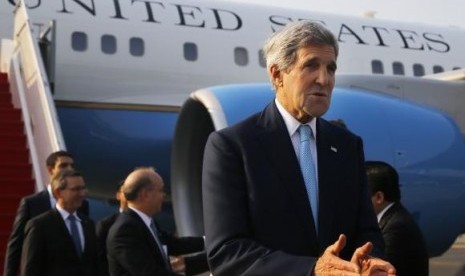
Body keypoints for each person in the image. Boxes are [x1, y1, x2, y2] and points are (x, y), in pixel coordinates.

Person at [202, 21, 396, 275]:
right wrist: (312, 270)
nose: (324, 79)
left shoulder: (347, 145)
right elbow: (227, 252)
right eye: (311, 65)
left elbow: (367, 231)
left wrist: (367, 262)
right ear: (276, 74)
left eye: (331, 68)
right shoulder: (232, 146)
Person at [107, 167, 207, 276]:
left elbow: (173, 244)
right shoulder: (125, 230)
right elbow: (148, 272)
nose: (164, 195)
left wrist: (208, 241)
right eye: (160, 190)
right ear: (145, 194)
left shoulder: (145, 222)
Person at [4, 150, 89, 276]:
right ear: (50, 170)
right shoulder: (32, 203)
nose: (69, 169)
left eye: (72, 165)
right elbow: (16, 243)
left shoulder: (82, 204)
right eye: (63, 166)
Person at [20, 170, 98, 276]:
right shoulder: (39, 225)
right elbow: (30, 268)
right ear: (58, 192)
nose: (82, 194)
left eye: (83, 188)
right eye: (76, 189)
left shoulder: (88, 224)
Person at [366, 161, 429, 276]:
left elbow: (378, 271)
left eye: (362, 195)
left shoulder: (397, 227)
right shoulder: (393, 218)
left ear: (379, 197)